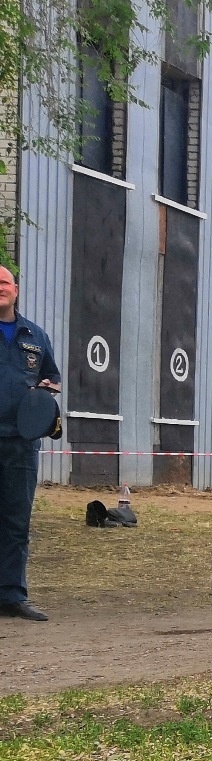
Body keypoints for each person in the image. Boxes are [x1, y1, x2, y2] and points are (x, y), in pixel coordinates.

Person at [0, 264, 60, 621]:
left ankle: (12, 595)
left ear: (16, 289)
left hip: (21, 443)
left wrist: (44, 396)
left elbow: (52, 378)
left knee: (16, 521)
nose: (0, 288)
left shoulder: (35, 336)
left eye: (4, 282)